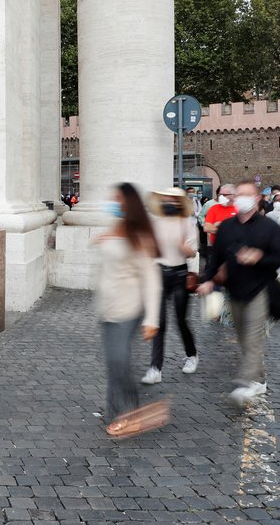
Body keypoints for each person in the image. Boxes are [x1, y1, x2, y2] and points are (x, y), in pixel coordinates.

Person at [198, 180, 280, 404]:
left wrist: (258, 257)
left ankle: (245, 382)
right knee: (243, 338)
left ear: (257, 199)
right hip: (234, 291)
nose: (242, 199)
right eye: (239, 195)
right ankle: (260, 380)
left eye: (247, 195)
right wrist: (207, 281)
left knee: (253, 336)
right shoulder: (227, 227)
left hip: (260, 289)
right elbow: (215, 258)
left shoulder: (270, 228)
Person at [94, 183, 165, 437]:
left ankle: (126, 414)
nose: (112, 204)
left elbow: (152, 280)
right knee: (115, 364)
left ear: (127, 203)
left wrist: (152, 319)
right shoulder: (115, 229)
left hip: (128, 309)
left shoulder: (140, 236)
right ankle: (120, 412)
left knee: (118, 361)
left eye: (117, 200)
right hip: (107, 309)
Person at [142, 187, 200, 385]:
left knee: (181, 320)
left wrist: (180, 244)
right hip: (159, 274)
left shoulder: (188, 223)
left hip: (180, 275)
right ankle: (155, 368)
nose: (169, 202)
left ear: (179, 203)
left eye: (173, 200)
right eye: (166, 199)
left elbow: (192, 252)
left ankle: (191, 354)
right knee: (159, 323)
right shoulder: (156, 223)